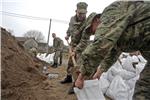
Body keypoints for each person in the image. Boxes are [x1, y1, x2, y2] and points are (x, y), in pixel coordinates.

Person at [74, 1, 150, 99]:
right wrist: (99, 72)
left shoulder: (110, 12)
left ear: (97, 20)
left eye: (91, 30)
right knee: (144, 88)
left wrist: (82, 77)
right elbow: (114, 51)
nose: (94, 34)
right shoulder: (117, 29)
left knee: (143, 90)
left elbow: (99, 44)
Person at [60, 2, 88, 94]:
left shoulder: (87, 23)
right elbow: (69, 28)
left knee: (78, 65)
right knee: (70, 63)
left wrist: (75, 51)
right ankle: (68, 77)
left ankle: (75, 83)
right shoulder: (72, 19)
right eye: (80, 13)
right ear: (76, 11)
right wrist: (67, 35)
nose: (82, 15)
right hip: (72, 44)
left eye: (84, 13)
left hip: (81, 46)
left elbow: (84, 41)